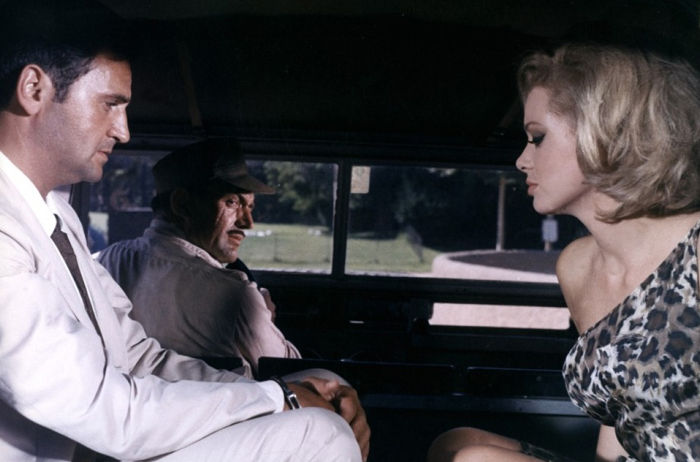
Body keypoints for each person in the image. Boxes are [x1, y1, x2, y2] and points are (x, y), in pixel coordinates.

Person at [0, 1, 369, 461]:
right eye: (110, 104)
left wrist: (285, 389)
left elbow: (139, 359)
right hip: (93, 441)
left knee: (325, 385)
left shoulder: (56, 217)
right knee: (319, 433)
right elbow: (105, 410)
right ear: (34, 88)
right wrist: (277, 399)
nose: (124, 131)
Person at [428, 43, 700, 461]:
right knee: (454, 444)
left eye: (537, 138)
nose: (522, 160)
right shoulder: (577, 267)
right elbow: (618, 408)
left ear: (604, 134)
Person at [97, 139, 302, 378]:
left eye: (250, 207)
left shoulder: (104, 262)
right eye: (232, 202)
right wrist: (266, 318)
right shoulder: (236, 294)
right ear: (181, 204)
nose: (248, 223)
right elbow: (291, 374)